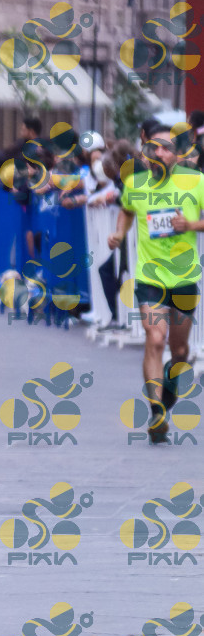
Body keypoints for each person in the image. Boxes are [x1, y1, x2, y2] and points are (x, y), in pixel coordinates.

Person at [108, 126, 204, 442]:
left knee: (179, 350)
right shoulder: (134, 184)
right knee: (155, 338)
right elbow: (126, 211)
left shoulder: (195, 181)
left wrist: (190, 224)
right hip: (150, 278)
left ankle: (169, 390)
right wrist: (118, 233)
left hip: (184, 278)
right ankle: (156, 412)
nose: (159, 153)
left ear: (176, 154)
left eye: (166, 147)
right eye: (154, 147)